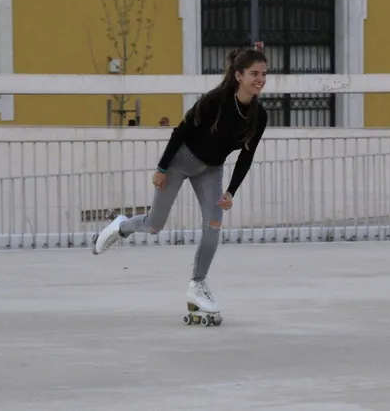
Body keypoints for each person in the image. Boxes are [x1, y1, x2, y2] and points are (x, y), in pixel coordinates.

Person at [91, 48, 269, 318]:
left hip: (211, 170)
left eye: (264, 74)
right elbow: (181, 131)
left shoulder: (260, 115)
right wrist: (162, 168)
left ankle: (197, 286)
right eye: (254, 74)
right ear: (239, 75)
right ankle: (121, 226)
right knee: (154, 225)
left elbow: (247, 155)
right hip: (180, 161)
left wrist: (231, 191)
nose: (260, 79)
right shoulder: (215, 101)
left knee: (213, 225)